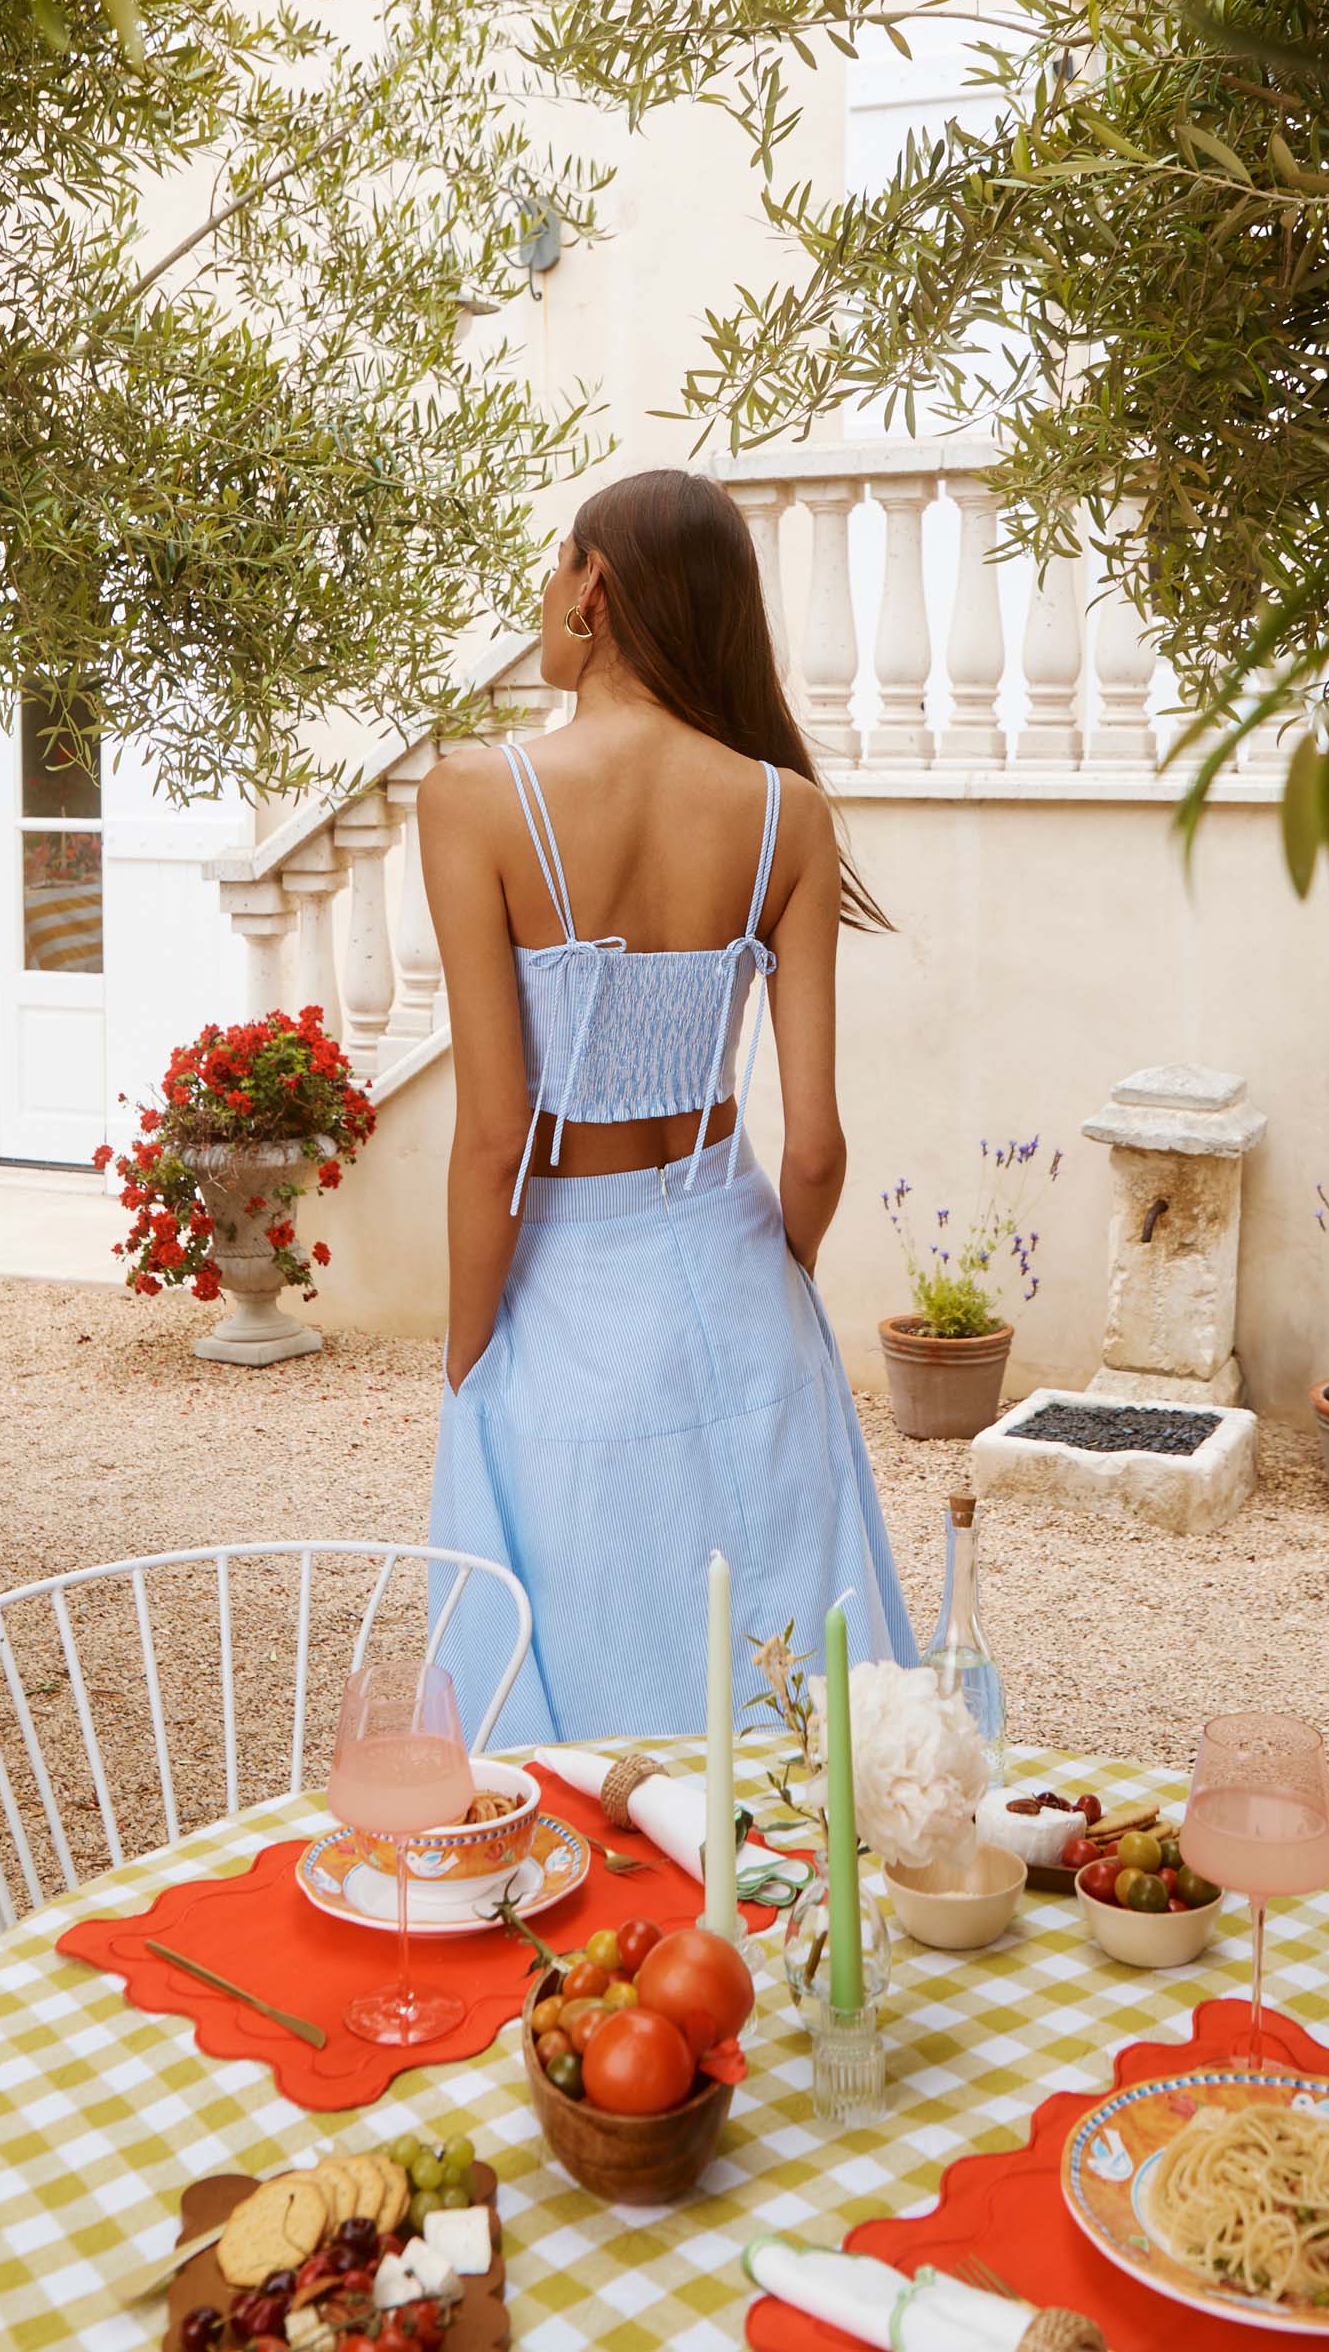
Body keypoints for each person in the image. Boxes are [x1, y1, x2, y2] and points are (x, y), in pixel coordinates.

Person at [420, 467, 916, 1743]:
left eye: (554, 564)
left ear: (594, 584)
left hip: (563, 1307)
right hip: (740, 1283)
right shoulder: (785, 813)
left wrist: (466, 1356)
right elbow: (815, 1146)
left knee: (574, 1714)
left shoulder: (476, 795)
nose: (542, 593)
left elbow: (493, 1136)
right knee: (792, 1714)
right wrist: (772, 1274)